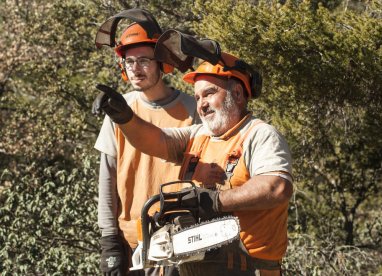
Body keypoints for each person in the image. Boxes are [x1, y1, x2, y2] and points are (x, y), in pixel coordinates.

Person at [95, 52, 293, 276]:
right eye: (197, 98)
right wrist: (125, 118)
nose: (202, 105)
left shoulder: (259, 135)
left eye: (209, 93)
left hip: (251, 268)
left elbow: (276, 187)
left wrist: (213, 201)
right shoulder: (198, 135)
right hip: (197, 267)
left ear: (237, 94)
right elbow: (155, 141)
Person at [93, 11, 198, 276]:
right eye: (129, 62)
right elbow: (108, 177)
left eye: (144, 60)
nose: (136, 68)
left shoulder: (192, 109)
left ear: (162, 62)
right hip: (132, 240)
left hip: (182, 238)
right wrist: (109, 241)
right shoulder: (119, 109)